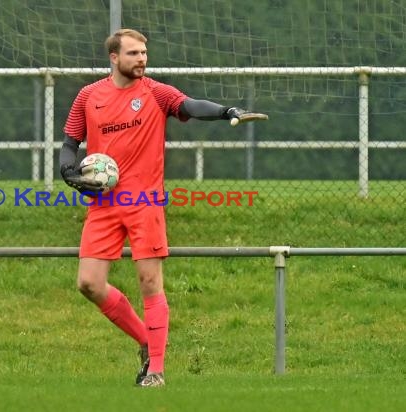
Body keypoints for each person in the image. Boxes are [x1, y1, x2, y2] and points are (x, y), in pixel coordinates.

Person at [59, 28, 266, 387]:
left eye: (144, 53)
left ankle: (155, 369)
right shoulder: (89, 96)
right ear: (114, 57)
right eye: (133, 54)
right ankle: (145, 340)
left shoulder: (155, 92)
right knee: (89, 284)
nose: (141, 59)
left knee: (150, 282)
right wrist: (67, 170)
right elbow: (70, 141)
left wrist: (227, 111)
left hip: (145, 203)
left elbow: (189, 105)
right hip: (104, 204)